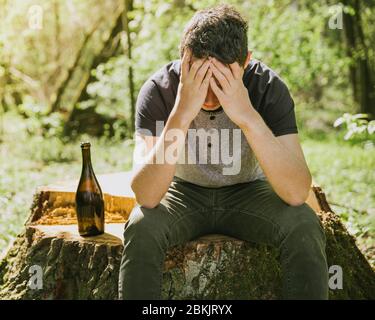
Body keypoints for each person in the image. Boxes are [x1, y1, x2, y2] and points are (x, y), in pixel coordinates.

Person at [119, 4, 328, 300]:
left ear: (245, 63)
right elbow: (147, 195)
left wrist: (247, 115)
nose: (209, 94)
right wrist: (180, 114)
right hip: (182, 192)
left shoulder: (267, 87)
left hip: (250, 191)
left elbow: (296, 192)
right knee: (142, 225)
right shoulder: (159, 90)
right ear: (184, 61)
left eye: (221, 80)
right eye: (200, 76)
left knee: (304, 223)